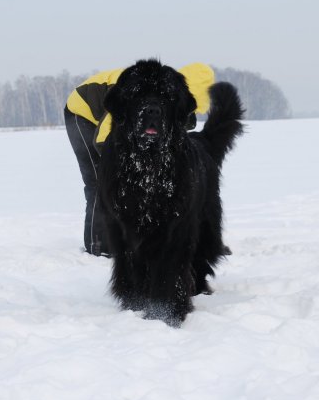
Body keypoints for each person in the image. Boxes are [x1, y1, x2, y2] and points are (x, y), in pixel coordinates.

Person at [64, 62, 216, 256]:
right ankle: (99, 246)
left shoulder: (164, 97)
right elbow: (103, 139)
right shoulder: (130, 92)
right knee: (99, 182)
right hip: (80, 112)